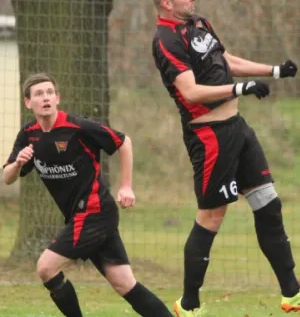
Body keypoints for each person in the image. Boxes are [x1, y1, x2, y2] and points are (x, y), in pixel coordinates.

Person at [151, 0, 300, 317]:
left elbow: (225, 60)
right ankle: (188, 305)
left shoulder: (200, 23)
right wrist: (240, 89)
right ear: (167, 3)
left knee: (268, 202)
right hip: (209, 138)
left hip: (238, 129)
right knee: (211, 216)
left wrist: (275, 71)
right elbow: (189, 91)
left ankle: (293, 294)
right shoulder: (165, 40)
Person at [3, 73, 173, 317]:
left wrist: (126, 186)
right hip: (83, 216)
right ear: (28, 103)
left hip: (94, 211)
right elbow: (7, 177)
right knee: (125, 284)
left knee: (45, 267)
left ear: (58, 98)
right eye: (39, 94)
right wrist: (18, 163)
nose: (46, 97)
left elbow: (123, 142)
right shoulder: (29, 135)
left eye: (50, 92)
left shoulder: (77, 127)